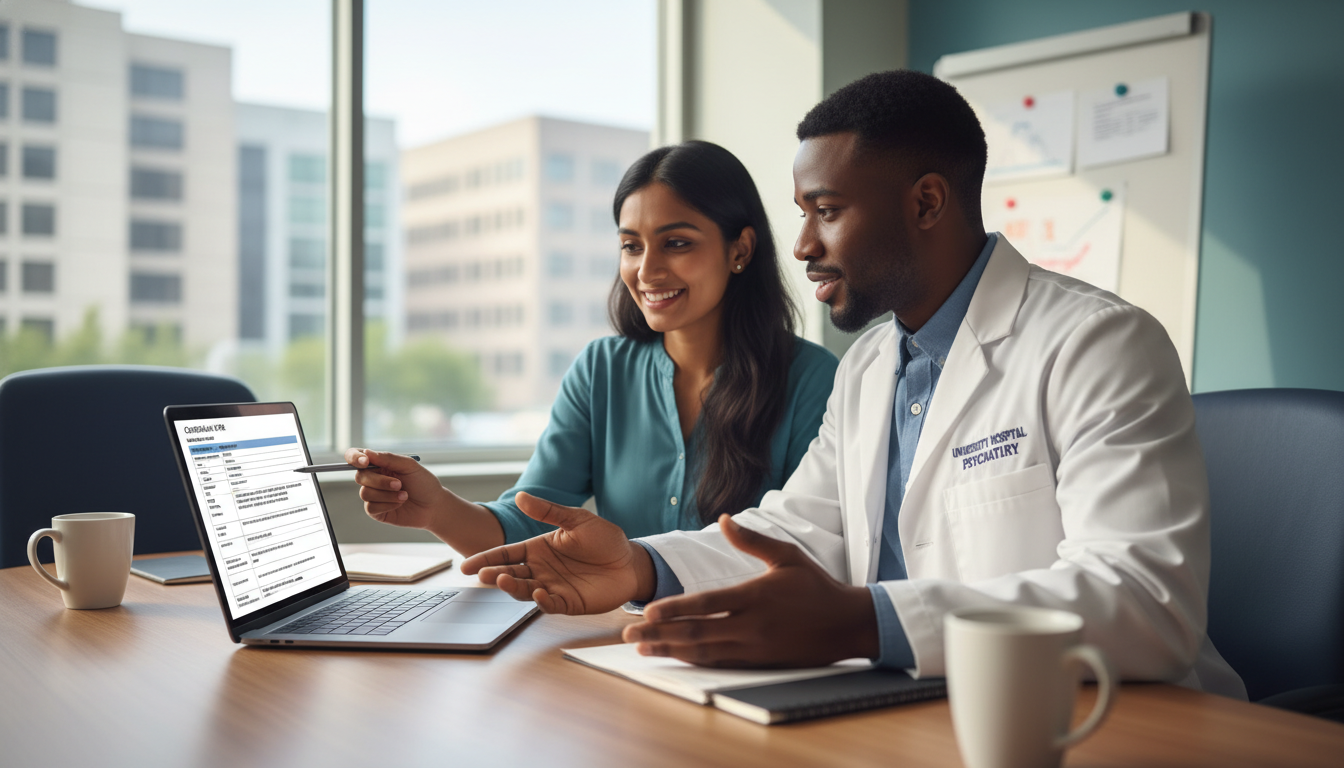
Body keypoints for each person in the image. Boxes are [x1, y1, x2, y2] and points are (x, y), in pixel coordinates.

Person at [461, 70, 1247, 699]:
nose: (801, 244)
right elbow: (804, 531)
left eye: (827, 211)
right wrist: (639, 567)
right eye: (802, 212)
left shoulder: (1097, 342)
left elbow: (1148, 603)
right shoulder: (874, 363)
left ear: (927, 202)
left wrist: (867, 624)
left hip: (1102, 720)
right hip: (923, 706)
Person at [346, 140, 838, 557]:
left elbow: (803, 546)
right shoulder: (601, 371)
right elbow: (528, 521)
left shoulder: (812, 379)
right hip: (619, 641)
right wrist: (436, 507)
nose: (646, 271)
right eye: (631, 245)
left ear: (740, 250)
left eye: (677, 243)